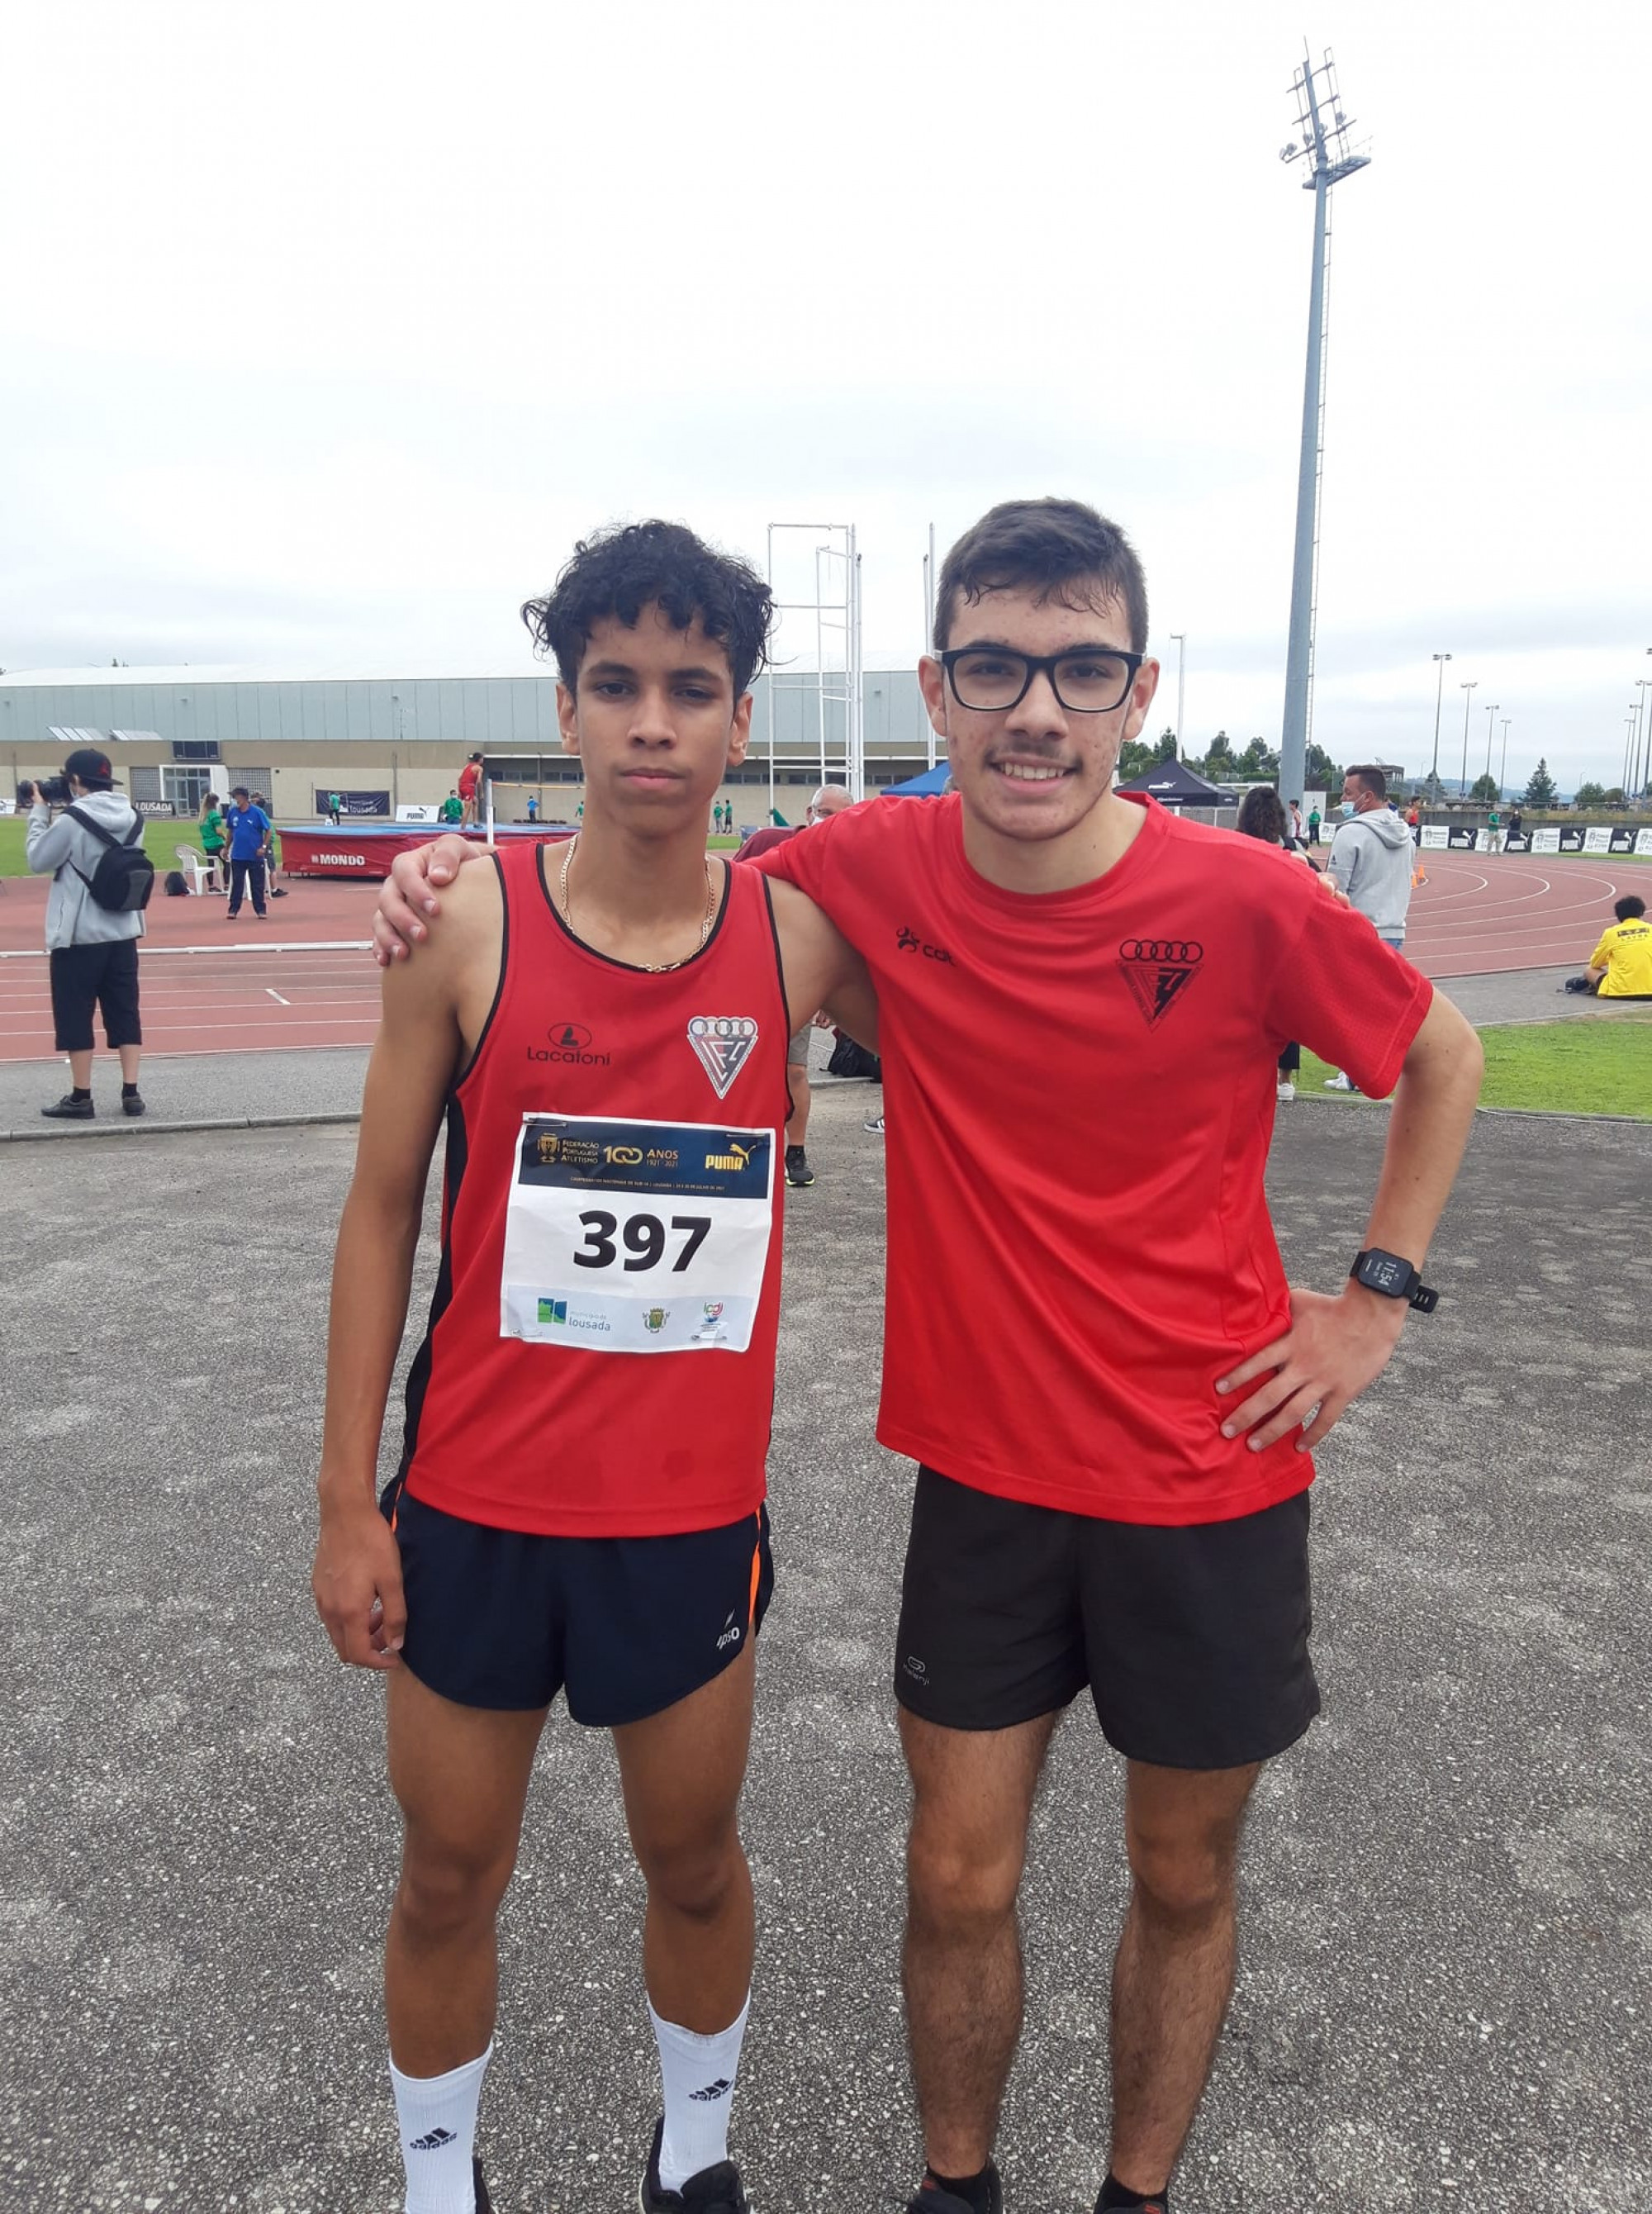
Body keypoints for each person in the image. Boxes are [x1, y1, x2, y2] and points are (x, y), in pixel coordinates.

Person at [373, 496, 1483, 2214]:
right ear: (937, 688)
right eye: (995, 668)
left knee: (1182, 1873)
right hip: (985, 1475)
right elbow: (653, 889)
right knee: (957, 1877)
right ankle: (951, 2190)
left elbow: (1443, 1054)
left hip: (1212, 1469)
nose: (1036, 708)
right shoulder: (864, 873)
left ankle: (1131, 2194)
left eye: (1081, 670)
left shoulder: (1243, 894)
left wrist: (1373, 1297)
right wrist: (445, 868)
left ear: (1139, 691)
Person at [314, 521, 869, 2214]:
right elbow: (380, 1211)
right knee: (447, 1871)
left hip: (685, 1519)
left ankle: (694, 2155)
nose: (650, 722)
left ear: (739, 720)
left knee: (692, 1860)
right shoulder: (465, 921)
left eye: (689, 689)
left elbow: (1008, 986)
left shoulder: (799, 941)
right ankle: (439, 2184)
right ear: (563, 709)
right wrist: (346, 1504)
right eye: (614, 684)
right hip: (476, 1505)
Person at [731, 785, 854, 1186]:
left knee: (795, 1070)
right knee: (738, 1070)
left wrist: (829, 995)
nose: (829, 821)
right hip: (747, 979)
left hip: (797, 984)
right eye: (824, 812)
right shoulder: (768, 842)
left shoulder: (847, 866)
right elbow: (725, 891)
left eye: (839, 816)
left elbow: (843, 935)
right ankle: (739, 1146)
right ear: (809, 811)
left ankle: (795, 1150)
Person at [24, 746, 148, 1119]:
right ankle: (131, 1093)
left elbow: (38, 859)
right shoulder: (133, 816)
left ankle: (81, 1096)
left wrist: (39, 812)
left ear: (75, 780)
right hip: (124, 929)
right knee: (125, 1010)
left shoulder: (72, 820)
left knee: (75, 1013)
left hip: (79, 935)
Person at [1322, 764, 1417, 1092]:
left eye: (1348, 793)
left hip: (1360, 930)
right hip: (1394, 928)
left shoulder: (1351, 833)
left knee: (1351, 1008)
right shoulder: (1406, 835)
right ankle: (1372, 1071)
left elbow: (1336, 887)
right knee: (1378, 1007)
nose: (1344, 799)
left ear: (1368, 796)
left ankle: (1352, 1074)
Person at [1232, 786, 1314, 1104]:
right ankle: (1285, 1079)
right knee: (1284, 1012)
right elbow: (1320, 882)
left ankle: (1245, 1073)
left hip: (1244, 943)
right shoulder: (1294, 849)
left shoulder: (1235, 845)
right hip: (1284, 942)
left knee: (1242, 1011)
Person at [1584, 894, 1652, 998]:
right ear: (1641, 912)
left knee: (1589, 970)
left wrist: (1613, 958)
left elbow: (1595, 963)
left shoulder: (1611, 933)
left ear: (1618, 915)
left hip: (1620, 991)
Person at [224, 786, 273, 919]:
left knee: (257, 885)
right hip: (238, 855)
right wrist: (226, 847)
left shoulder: (257, 812)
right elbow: (231, 831)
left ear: (244, 797)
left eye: (236, 797)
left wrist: (263, 847)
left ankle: (260, 910)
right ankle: (233, 910)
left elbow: (268, 830)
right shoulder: (233, 812)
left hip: (254, 856)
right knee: (237, 884)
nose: (235, 800)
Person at [199, 791, 229, 891]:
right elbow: (218, 831)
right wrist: (225, 838)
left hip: (207, 843)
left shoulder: (203, 816)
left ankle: (211, 885)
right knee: (226, 862)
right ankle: (227, 884)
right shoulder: (214, 815)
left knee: (210, 864)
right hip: (216, 842)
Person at [458, 752, 485, 828]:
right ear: (480, 759)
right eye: (482, 759)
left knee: (475, 801)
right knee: (467, 807)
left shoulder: (467, 766)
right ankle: (462, 827)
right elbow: (479, 781)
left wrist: (459, 791)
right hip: (468, 787)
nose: (483, 760)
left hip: (462, 786)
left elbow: (460, 779)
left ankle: (476, 822)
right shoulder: (479, 768)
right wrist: (481, 792)